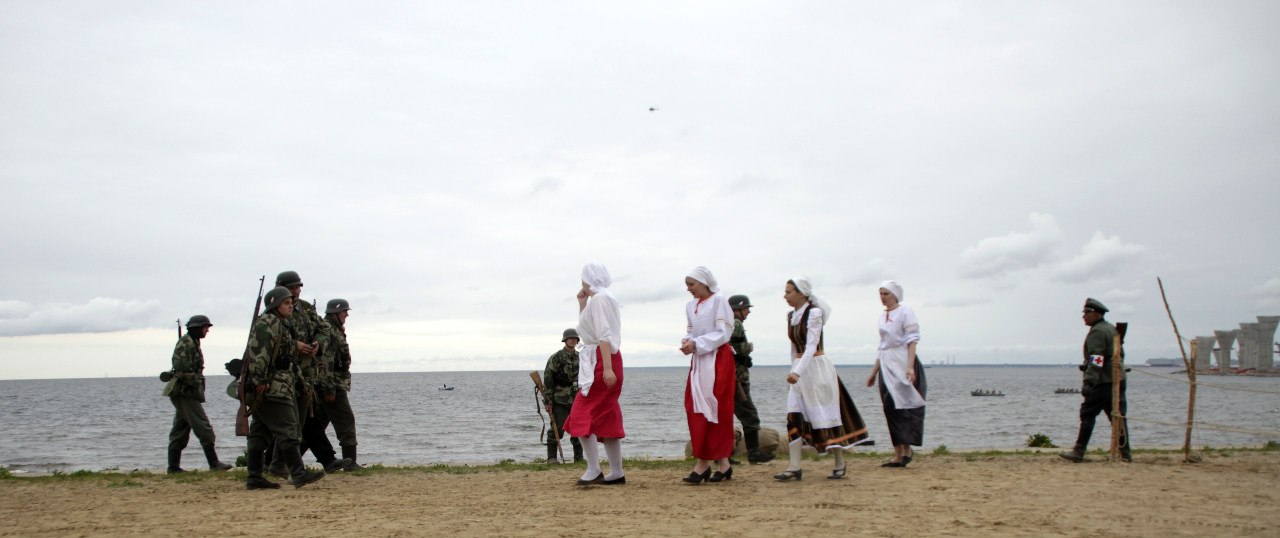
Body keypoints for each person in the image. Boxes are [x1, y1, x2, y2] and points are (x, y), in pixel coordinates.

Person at [775, 277, 870, 481]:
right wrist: (794, 369)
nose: (785, 296)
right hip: (800, 369)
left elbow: (811, 346)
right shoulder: (791, 316)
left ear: (801, 293)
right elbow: (794, 348)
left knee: (825, 416)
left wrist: (798, 372)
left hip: (817, 370)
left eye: (789, 292)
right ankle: (794, 466)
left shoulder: (814, 313)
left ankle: (839, 462)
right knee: (794, 415)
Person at [243, 286, 325, 489]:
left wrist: (301, 382)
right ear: (275, 305)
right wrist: (261, 380)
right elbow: (258, 354)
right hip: (272, 387)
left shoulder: (281, 324)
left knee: (260, 433)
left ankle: (254, 477)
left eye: (290, 302)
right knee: (289, 429)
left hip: (279, 383)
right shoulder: (267, 323)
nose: (291, 306)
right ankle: (298, 473)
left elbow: (290, 360)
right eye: (286, 303)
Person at [267, 271, 349, 475]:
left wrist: (316, 344)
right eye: (291, 287)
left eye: (298, 287)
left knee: (304, 421)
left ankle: (275, 464)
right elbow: (269, 338)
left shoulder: (304, 308)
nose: (296, 291)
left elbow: (323, 329)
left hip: (306, 374)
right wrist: (295, 345)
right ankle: (273, 464)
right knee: (293, 422)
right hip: (283, 375)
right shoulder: (273, 313)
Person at [562, 263, 626, 486]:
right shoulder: (602, 299)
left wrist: (606, 368)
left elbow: (603, 335)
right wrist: (582, 304)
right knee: (607, 416)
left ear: (588, 279)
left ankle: (593, 469)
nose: (581, 283)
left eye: (583, 279)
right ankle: (616, 472)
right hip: (603, 358)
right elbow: (586, 330)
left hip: (602, 359)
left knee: (580, 414)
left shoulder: (599, 299)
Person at [680, 267, 736, 484]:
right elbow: (691, 331)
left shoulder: (719, 300)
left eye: (691, 284)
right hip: (700, 360)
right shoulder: (690, 305)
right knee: (695, 406)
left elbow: (724, 332)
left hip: (718, 359)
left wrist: (697, 343)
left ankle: (707, 464)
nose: (688, 288)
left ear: (704, 282)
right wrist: (687, 341)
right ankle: (718, 463)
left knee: (717, 407)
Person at [1059, 298, 1132, 463]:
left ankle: (1079, 451)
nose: (1083, 316)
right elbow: (1119, 354)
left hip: (1103, 381)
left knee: (1088, 413)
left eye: (1087, 313)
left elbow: (1096, 359)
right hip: (1117, 379)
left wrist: (1089, 381)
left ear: (1096, 314)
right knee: (1117, 416)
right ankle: (1125, 453)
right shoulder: (1111, 329)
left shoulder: (1098, 332)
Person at [866, 280, 927, 468]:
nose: (882, 297)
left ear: (895, 295)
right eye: (881, 293)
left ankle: (908, 449)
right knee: (890, 407)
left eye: (886, 294)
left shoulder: (905, 312)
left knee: (906, 407)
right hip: (887, 365)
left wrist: (910, 367)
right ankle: (898, 453)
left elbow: (912, 340)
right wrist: (874, 372)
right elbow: (882, 346)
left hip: (903, 361)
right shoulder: (882, 317)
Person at [166, 315, 233, 473]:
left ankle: (173, 467)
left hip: (187, 392)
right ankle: (214, 463)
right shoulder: (186, 342)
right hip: (185, 392)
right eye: (205, 327)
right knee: (204, 428)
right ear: (197, 328)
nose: (207, 330)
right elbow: (180, 366)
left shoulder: (193, 342)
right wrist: (195, 380)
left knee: (180, 430)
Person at [315, 298, 362, 470]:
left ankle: (284, 462)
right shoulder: (329, 330)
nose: (347, 314)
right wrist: (329, 388)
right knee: (346, 421)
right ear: (335, 312)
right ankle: (350, 462)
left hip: (329, 384)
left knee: (315, 427)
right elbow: (326, 361)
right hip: (332, 385)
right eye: (344, 311)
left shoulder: (333, 329)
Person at [728, 294, 774, 464]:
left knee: (725, 417)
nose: (748, 311)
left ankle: (723, 456)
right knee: (750, 416)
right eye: (746, 308)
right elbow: (730, 347)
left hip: (731, 377)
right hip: (737, 379)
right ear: (738, 309)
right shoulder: (735, 323)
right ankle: (754, 453)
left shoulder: (726, 323)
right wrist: (747, 348)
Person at [543, 328, 584, 463]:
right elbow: (548, 379)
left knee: (578, 429)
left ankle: (579, 458)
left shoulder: (581, 357)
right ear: (565, 340)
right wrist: (548, 400)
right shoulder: (556, 357)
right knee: (557, 429)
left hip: (578, 399)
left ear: (577, 340)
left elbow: (586, 377)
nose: (572, 340)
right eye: (569, 338)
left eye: (574, 338)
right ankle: (552, 458)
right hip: (560, 400)